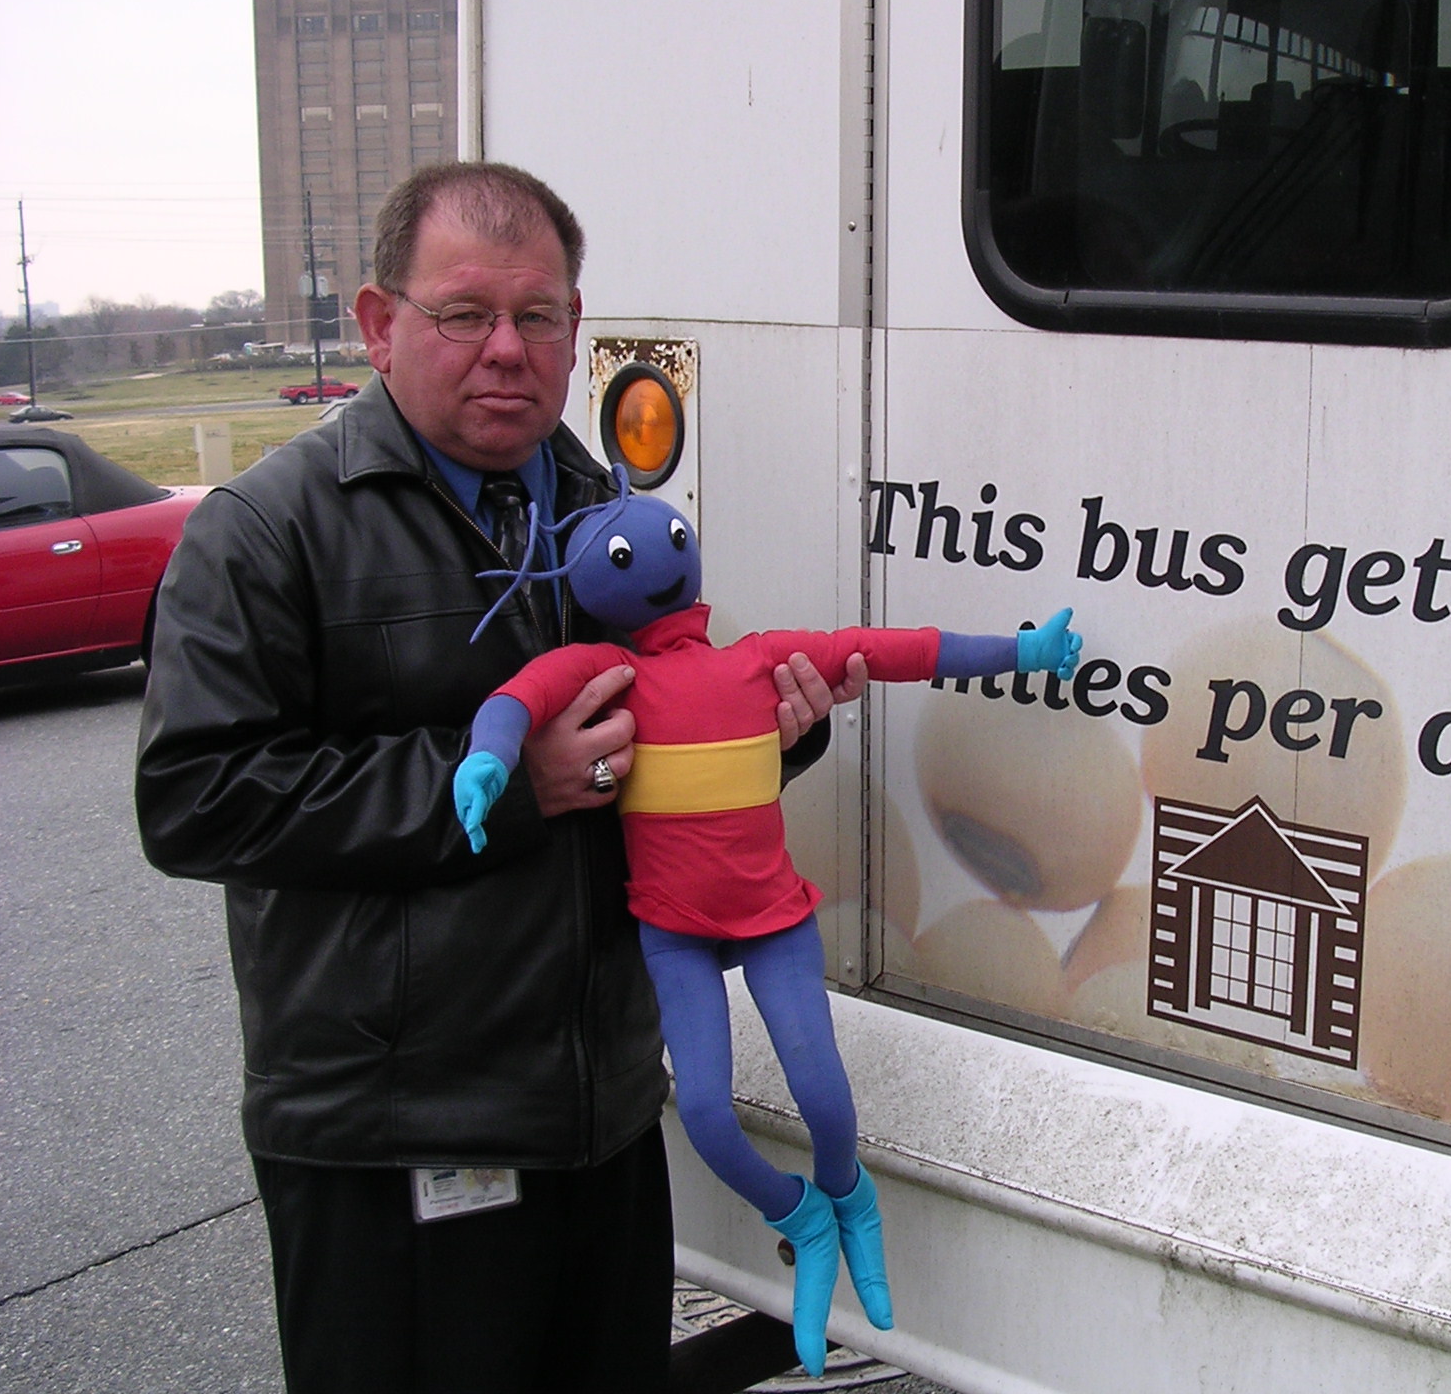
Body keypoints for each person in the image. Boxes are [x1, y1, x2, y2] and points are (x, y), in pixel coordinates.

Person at [135, 160, 865, 1394]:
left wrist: (773, 739)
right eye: (463, 314)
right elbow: (197, 796)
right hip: (397, 1127)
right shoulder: (269, 529)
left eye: (538, 316)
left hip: (601, 1106)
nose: (506, 349)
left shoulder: (604, 509)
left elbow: (643, 759)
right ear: (379, 325)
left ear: (577, 330)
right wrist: (502, 783)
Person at [447, 474, 1080, 1376]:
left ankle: (849, 1195)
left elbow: (892, 650)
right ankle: (802, 1217)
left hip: (772, 919)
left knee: (825, 1098)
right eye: (626, 556)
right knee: (704, 1114)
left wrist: (1019, 651)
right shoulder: (607, 674)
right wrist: (486, 758)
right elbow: (519, 697)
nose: (656, 562)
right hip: (670, 932)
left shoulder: (759, 659)